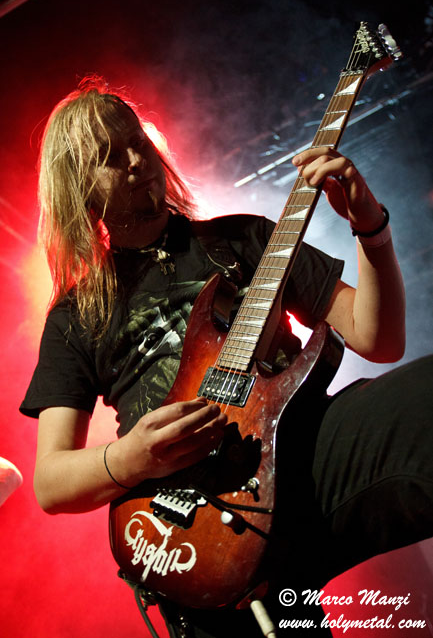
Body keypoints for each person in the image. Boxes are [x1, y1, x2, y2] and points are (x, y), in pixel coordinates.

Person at [20, 78, 433, 637]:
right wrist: (133, 458)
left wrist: (370, 226)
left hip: (308, 458)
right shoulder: (78, 314)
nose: (137, 161)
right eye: (110, 157)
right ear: (79, 187)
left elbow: (378, 339)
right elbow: (50, 482)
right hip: (196, 526)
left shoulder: (245, 239)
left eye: (137, 142)